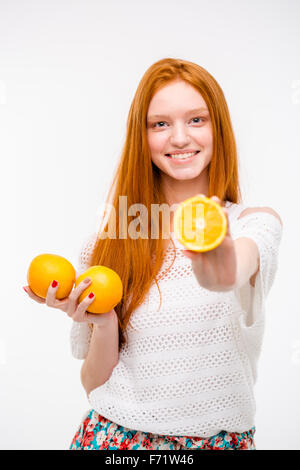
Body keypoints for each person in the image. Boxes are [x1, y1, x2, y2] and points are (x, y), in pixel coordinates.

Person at [23, 58, 283, 450]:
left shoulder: (251, 225)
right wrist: (106, 323)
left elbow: (230, 271)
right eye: (160, 124)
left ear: (219, 127)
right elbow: (94, 385)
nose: (179, 138)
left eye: (197, 119)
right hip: (111, 441)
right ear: (141, 137)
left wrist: (218, 259)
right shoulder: (109, 241)